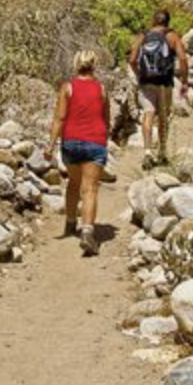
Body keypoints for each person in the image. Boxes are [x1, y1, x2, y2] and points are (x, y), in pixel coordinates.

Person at [44, 50, 110, 256]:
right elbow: (106, 120)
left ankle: (70, 224)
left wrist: (50, 145)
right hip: (94, 142)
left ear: (75, 65)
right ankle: (88, 233)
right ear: (94, 65)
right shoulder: (102, 89)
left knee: (74, 183)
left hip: (71, 143)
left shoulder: (67, 87)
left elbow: (59, 118)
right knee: (89, 189)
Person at [129, 11, 188, 167]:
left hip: (146, 80)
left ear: (153, 21)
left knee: (148, 113)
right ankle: (162, 151)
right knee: (163, 115)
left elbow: (132, 60)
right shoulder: (172, 36)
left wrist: (139, 75)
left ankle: (147, 152)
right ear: (168, 22)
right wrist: (185, 82)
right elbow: (182, 58)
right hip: (164, 81)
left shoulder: (143, 35)